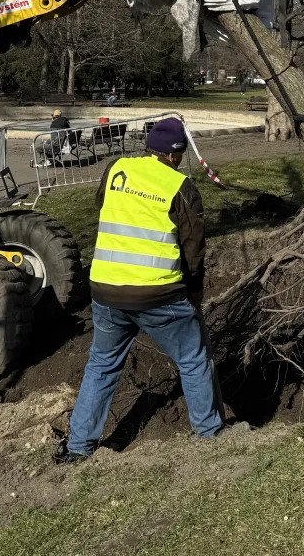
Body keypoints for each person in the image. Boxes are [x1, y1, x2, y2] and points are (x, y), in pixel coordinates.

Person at [58, 117, 224, 462]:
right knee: (193, 359)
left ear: (149, 147)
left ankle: (78, 448)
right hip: (158, 296)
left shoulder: (116, 168)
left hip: (105, 290)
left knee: (102, 364)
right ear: (176, 155)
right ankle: (211, 437)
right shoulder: (181, 187)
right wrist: (194, 291)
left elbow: (102, 206)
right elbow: (194, 249)